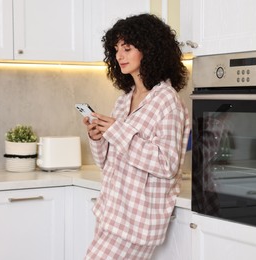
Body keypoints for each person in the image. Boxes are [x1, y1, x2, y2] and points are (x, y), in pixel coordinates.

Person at [82, 13, 190, 259]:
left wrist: (118, 131)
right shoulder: (124, 99)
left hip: (136, 221)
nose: (119, 55)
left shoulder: (167, 101)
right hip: (111, 212)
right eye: (116, 49)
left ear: (149, 50)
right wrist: (98, 137)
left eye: (127, 48)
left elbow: (167, 164)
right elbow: (106, 163)